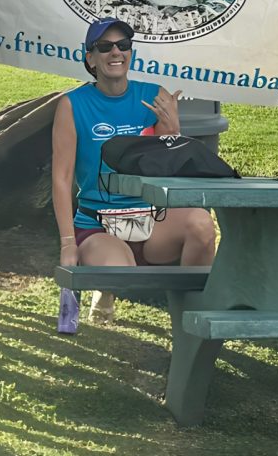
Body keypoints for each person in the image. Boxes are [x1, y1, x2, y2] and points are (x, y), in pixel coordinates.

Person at [50, 18, 215, 325]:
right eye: (105, 46)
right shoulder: (72, 105)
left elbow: (171, 173)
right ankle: (105, 289)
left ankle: (192, 313)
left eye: (123, 46)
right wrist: (67, 243)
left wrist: (173, 134)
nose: (116, 52)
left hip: (151, 220)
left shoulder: (155, 97)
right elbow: (61, 179)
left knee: (202, 224)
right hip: (99, 223)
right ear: (90, 58)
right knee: (118, 272)